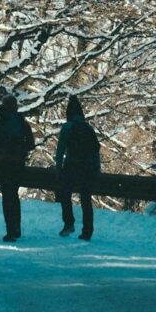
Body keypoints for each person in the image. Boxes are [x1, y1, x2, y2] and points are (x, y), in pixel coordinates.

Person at [0, 93, 35, 242]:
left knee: (7, 196)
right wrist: (20, 150)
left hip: (2, 164)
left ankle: (10, 230)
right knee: (14, 195)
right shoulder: (22, 122)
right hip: (17, 164)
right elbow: (31, 144)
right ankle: (17, 227)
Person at [55, 94, 101, 240]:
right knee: (86, 199)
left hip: (71, 165)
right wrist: (97, 169)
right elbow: (95, 150)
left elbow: (60, 149)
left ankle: (69, 223)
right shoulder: (88, 128)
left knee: (65, 194)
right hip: (87, 167)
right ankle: (87, 230)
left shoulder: (67, 127)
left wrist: (58, 167)